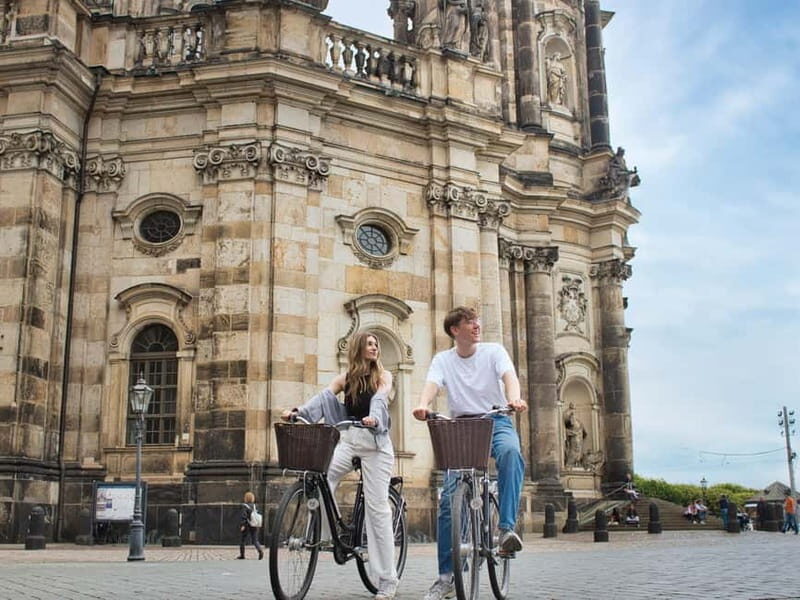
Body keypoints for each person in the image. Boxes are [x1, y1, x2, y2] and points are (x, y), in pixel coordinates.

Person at [412, 307, 527, 600]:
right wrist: (423, 405)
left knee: (511, 453)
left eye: (477, 321)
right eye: (469, 323)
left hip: (496, 419)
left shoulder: (493, 351)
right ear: (455, 330)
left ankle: (505, 530)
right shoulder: (443, 359)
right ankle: (446, 578)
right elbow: (432, 386)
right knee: (450, 500)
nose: (476, 326)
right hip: (461, 425)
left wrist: (513, 398)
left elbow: (509, 376)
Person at [282, 331, 399, 600]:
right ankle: (326, 534)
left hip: (376, 446)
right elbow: (324, 397)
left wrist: (373, 417)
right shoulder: (346, 379)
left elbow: (381, 398)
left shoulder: (384, 376)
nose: (374, 347)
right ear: (359, 348)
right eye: (369, 344)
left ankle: (387, 579)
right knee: (322, 477)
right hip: (349, 440)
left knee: (377, 507)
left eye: (376, 344)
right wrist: (298, 412)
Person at [237, 491, 263, 560]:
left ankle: (242, 555)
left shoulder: (244, 506)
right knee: (255, 540)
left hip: (247, 525)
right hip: (254, 525)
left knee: (242, 540)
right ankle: (260, 551)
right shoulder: (255, 506)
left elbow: (244, 516)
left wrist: (243, 525)